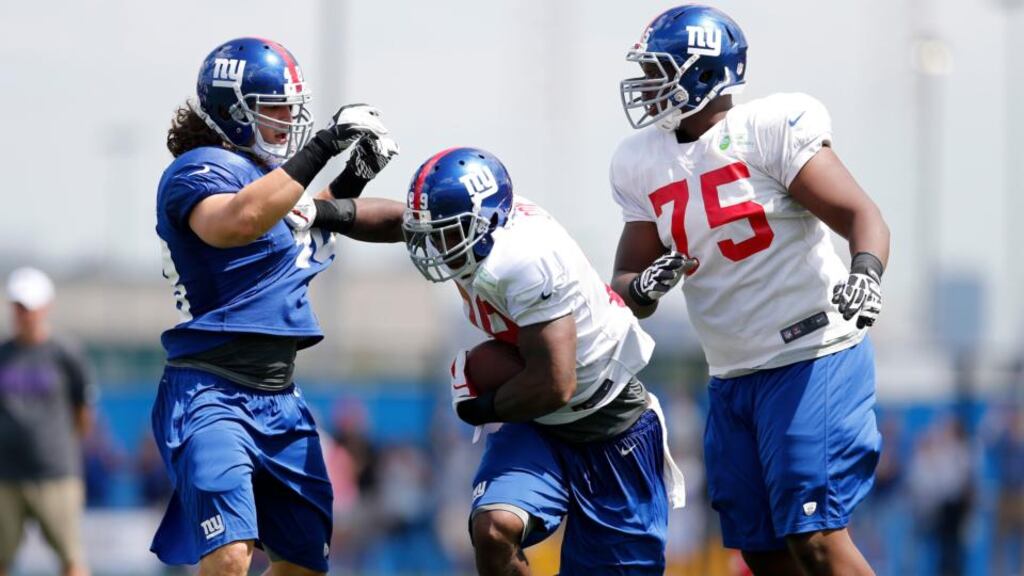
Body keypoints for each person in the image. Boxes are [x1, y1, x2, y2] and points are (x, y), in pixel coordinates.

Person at [609, 6, 890, 575]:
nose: (648, 85)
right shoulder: (642, 161)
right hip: (733, 373)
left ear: (705, 73)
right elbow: (624, 288)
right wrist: (643, 284)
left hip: (812, 356)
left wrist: (864, 272)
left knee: (815, 536)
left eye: (662, 70)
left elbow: (862, 214)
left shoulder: (768, 129)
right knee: (762, 551)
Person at [151, 37, 404, 576]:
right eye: (274, 108)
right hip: (212, 391)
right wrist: (325, 143)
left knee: (303, 565)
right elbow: (240, 219)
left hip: (280, 399)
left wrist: (356, 170)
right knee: (230, 555)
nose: (287, 120)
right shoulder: (200, 168)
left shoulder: (270, 185)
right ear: (231, 111)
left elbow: (307, 221)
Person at [401, 147, 686, 575]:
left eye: (447, 232)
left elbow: (555, 383)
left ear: (487, 223)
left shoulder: (523, 258)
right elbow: (400, 222)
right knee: (494, 529)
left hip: (609, 423)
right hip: (542, 424)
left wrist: (480, 408)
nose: (437, 246)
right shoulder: (481, 234)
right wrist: (328, 212)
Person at [0, 267, 95, 576]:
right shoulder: (3, 355)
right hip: (5, 474)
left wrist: (63, 450)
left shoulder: (66, 353)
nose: (24, 314)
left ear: (45, 307)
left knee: (71, 559)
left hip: (56, 474)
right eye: (18, 306)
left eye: (29, 307)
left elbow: (83, 412)